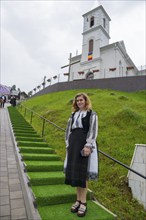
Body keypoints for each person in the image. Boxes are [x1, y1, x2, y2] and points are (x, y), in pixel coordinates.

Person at [64, 92, 98, 217]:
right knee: (75, 174)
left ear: (86, 101)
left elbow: (93, 130)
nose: (79, 102)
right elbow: (68, 131)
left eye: (81, 100)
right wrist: (68, 144)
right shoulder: (73, 115)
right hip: (73, 145)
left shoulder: (91, 114)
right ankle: (78, 200)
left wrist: (88, 145)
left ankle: (84, 203)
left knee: (82, 175)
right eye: (77, 100)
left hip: (84, 145)